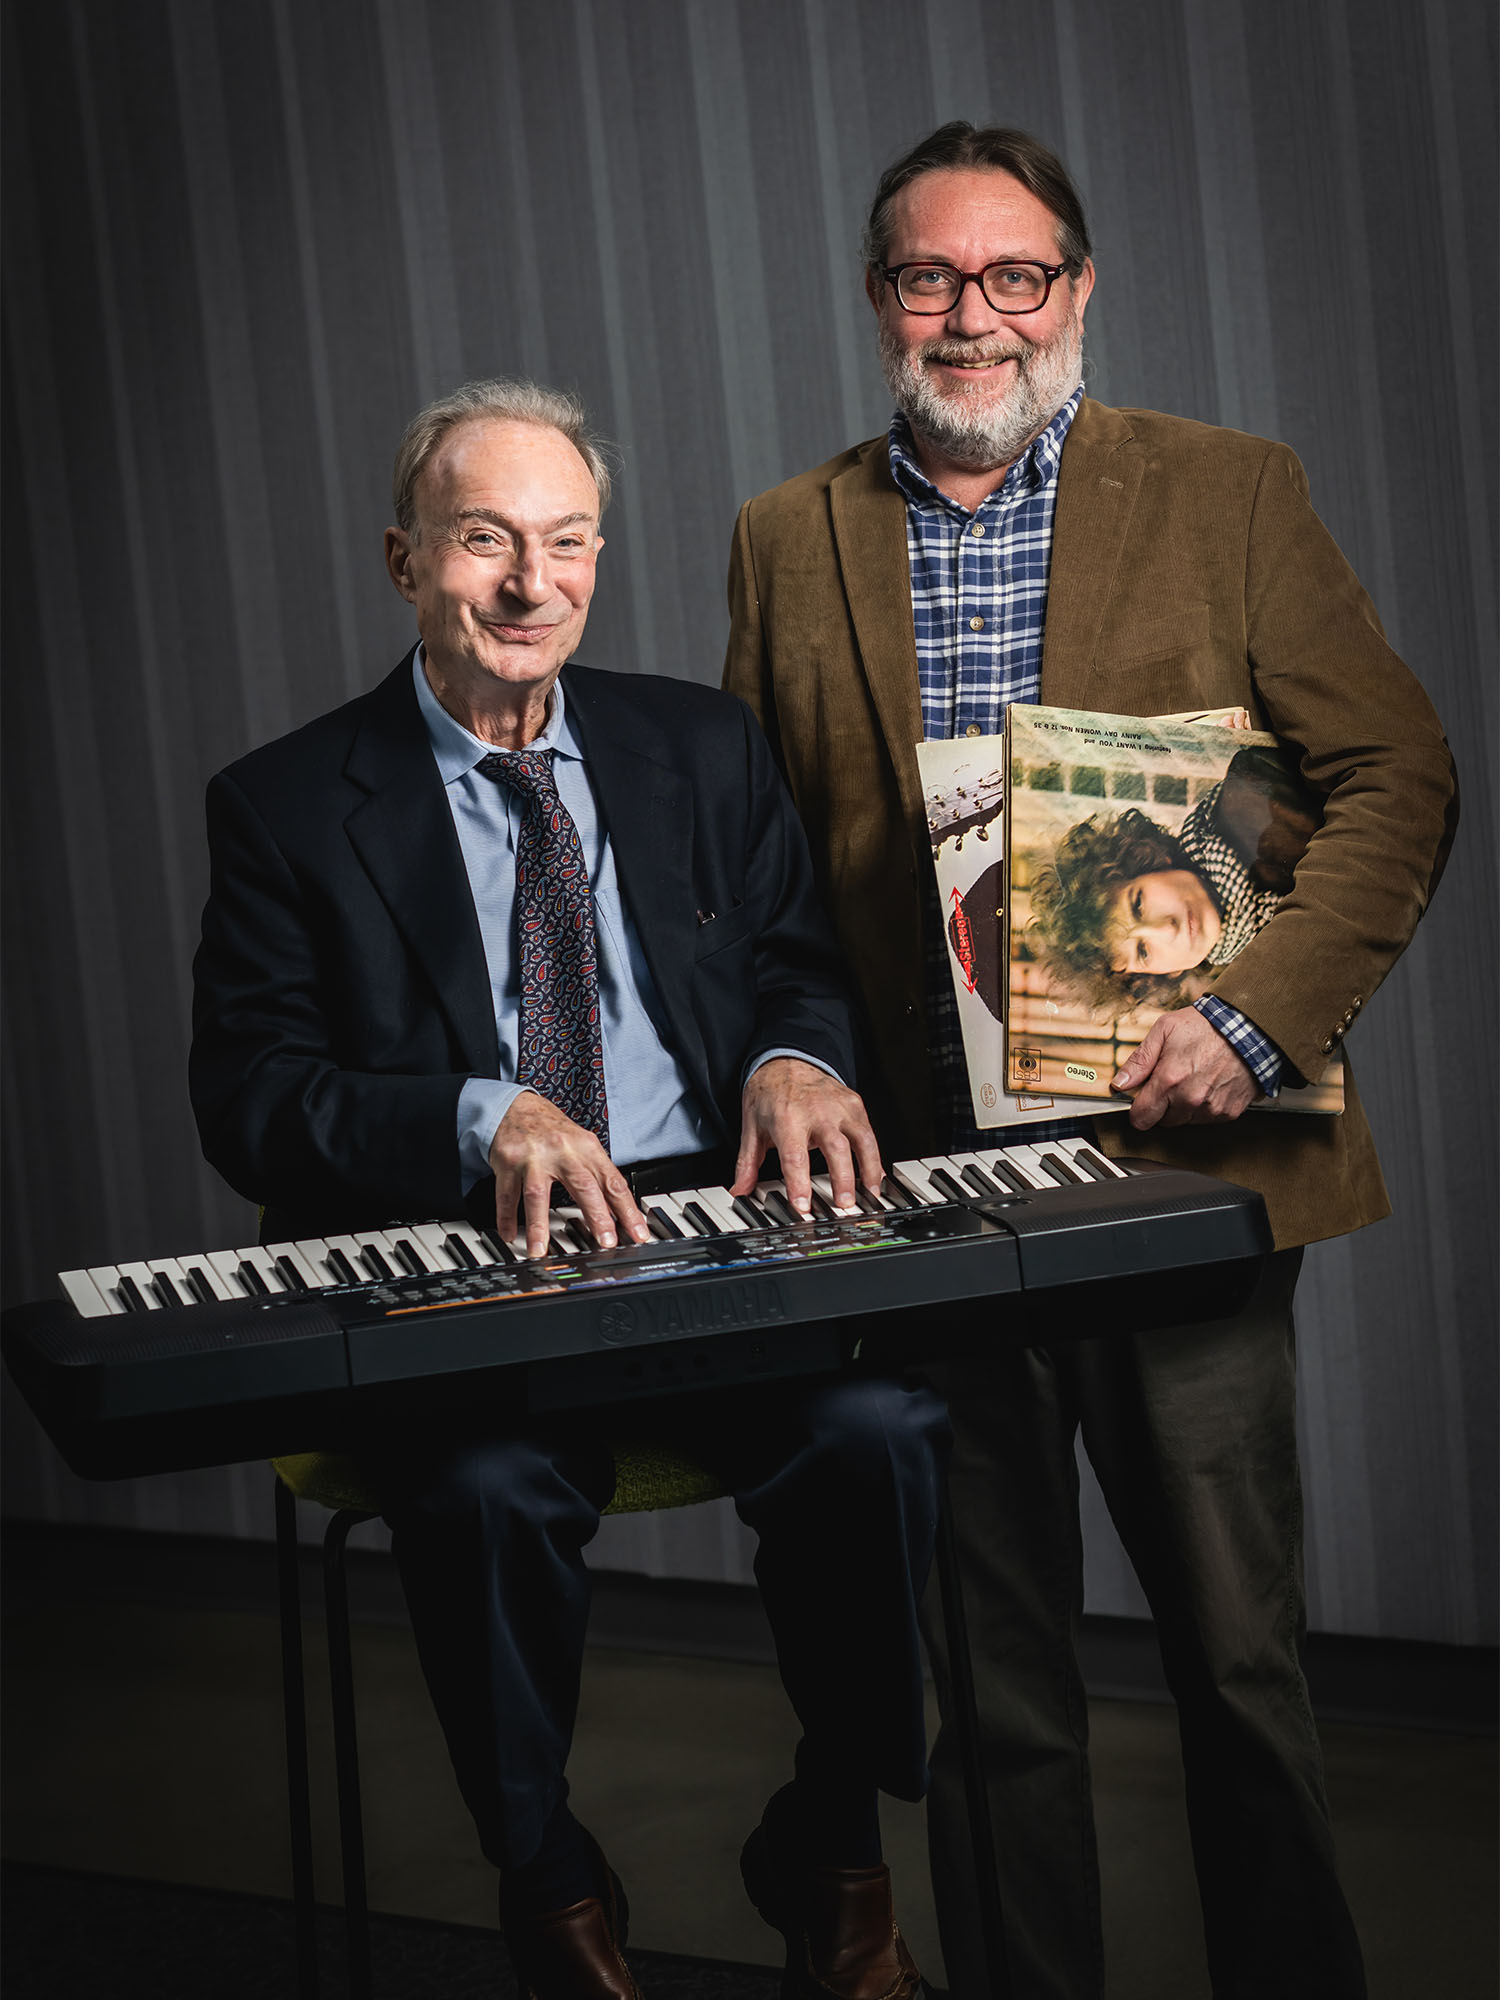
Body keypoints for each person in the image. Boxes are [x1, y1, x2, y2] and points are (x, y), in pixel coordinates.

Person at [723, 122, 1456, 1998]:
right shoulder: (786, 538)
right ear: (880, 298)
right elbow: (756, 884)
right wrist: (793, 1061)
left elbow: (1399, 777)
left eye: (1014, 273)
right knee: (1000, 1700)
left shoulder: (1228, 491)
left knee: (1237, 1671)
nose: (974, 315)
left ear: (1078, 289)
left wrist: (1255, 1013)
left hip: (1178, 1172)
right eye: (929, 278)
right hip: (931, 1205)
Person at [191, 378, 945, 2000]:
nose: (533, 583)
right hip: (469, 1272)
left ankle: (831, 1838)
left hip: (710, 1241)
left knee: (882, 1440)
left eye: (568, 542)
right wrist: (478, 1118)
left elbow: (800, 969)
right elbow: (249, 1104)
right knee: (478, 1490)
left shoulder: (700, 745)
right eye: (485, 542)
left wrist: (796, 1058)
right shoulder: (283, 808)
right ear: (406, 561)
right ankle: (546, 1873)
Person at [1028, 742, 1324, 1013]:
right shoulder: (1258, 977)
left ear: (1151, 860)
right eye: (1143, 951)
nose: (1167, 929)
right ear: (1166, 974)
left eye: (1139, 904)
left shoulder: (1249, 791)